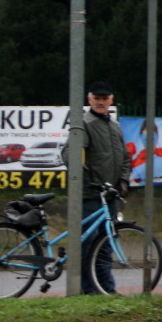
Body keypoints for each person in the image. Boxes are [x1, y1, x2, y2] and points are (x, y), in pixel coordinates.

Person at [67, 81, 130, 294]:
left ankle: (106, 290)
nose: (101, 102)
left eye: (105, 98)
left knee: (105, 246)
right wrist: (87, 179)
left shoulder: (115, 127)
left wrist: (123, 180)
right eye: (97, 98)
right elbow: (72, 155)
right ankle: (87, 290)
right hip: (90, 196)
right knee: (87, 245)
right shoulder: (84, 124)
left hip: (109, 197)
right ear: (89, 99)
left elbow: (125, 158)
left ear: (111, 100)